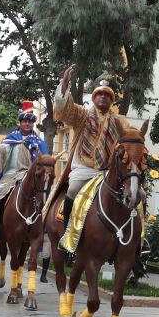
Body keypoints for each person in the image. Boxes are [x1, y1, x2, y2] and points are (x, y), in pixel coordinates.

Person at [51, 62, 130, 234]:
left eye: (107, 94)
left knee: (135, 194)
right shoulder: (82, 115)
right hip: (83, 170)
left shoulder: (120, 121)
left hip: (108, 172)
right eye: (99, 93)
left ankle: (134, 241)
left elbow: (131, 139)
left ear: (112, 99)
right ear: (94, 97)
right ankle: (67, 234)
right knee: (71, 191)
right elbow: (65, 110)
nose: (103, 97)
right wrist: (64, 86)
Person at [0, 102, 48, 250]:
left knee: (44, 195)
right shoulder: (12, 138)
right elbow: (3, 148)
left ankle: (43, 225)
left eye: (30, 121)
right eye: (25, 121)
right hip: (12, 174)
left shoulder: (39, 142)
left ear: (33, 124)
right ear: (20, 123)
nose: (27, 124)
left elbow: (44, 158)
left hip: (32, 175)